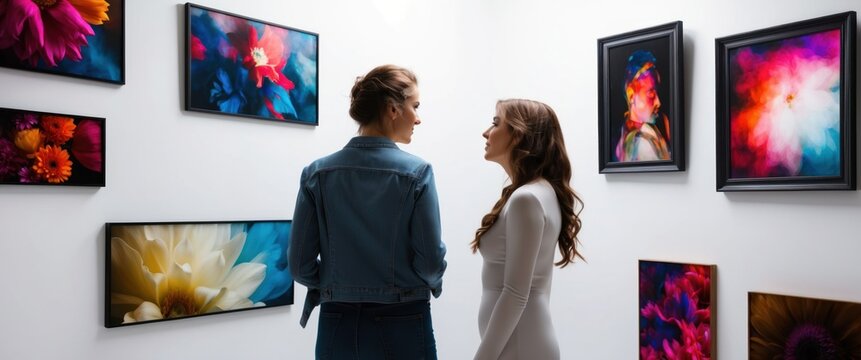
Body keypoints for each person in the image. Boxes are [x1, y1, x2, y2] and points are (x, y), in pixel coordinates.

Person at [289, 64, 447, 360]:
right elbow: (429, 262)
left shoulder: (317, 174)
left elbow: (299, 265)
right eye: (415, 106)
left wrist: (338, 283)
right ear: (392, 110)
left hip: (337, 321)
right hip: (402, 318)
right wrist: (433, 282)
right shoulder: (417, 173)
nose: (418, 118)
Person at [473, 99, 584, 360]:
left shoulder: (527, 199)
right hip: (519, 342)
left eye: (495, 123)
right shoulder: (536, 192)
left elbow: (515, 293)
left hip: (520, 345)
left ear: (519, 135)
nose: (486, 132)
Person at [615, 50, 671, 162]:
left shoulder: (658, 125)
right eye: (651, 93)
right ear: (631, 95)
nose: (658, 102)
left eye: (657, 93)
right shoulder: (639, 142)